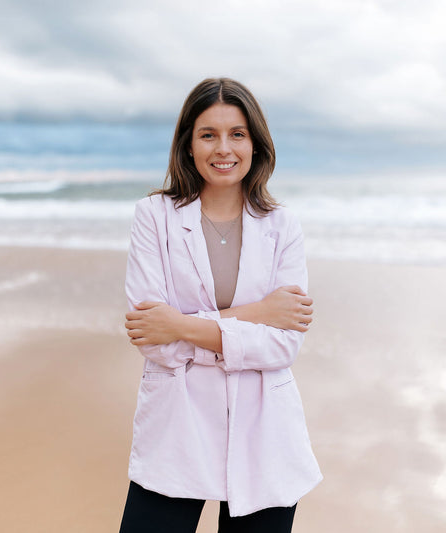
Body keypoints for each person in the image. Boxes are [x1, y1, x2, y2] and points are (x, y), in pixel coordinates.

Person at [120, 78, 322, 533]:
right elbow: (154, 340)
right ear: (188, 145)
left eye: (237, 134)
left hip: (264, 426)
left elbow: (283, 345)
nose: (223, 148)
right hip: (178, 422)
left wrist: (182, 324)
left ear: (256, 145)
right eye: (208, 134)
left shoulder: (283, 225)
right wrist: (256, 315)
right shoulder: (153, 217)